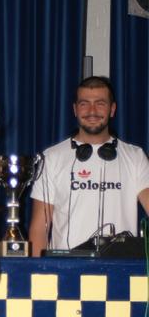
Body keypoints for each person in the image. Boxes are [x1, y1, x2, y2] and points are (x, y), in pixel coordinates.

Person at [29, 76, 149, 256]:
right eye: (84, 104)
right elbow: (40, 228)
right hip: (66, 268)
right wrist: (39, 269)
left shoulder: (135, 156)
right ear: (75, 109)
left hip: (120, 266)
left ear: (112, 109)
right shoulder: (51, 158)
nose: (92, 111)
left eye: (100, 103)